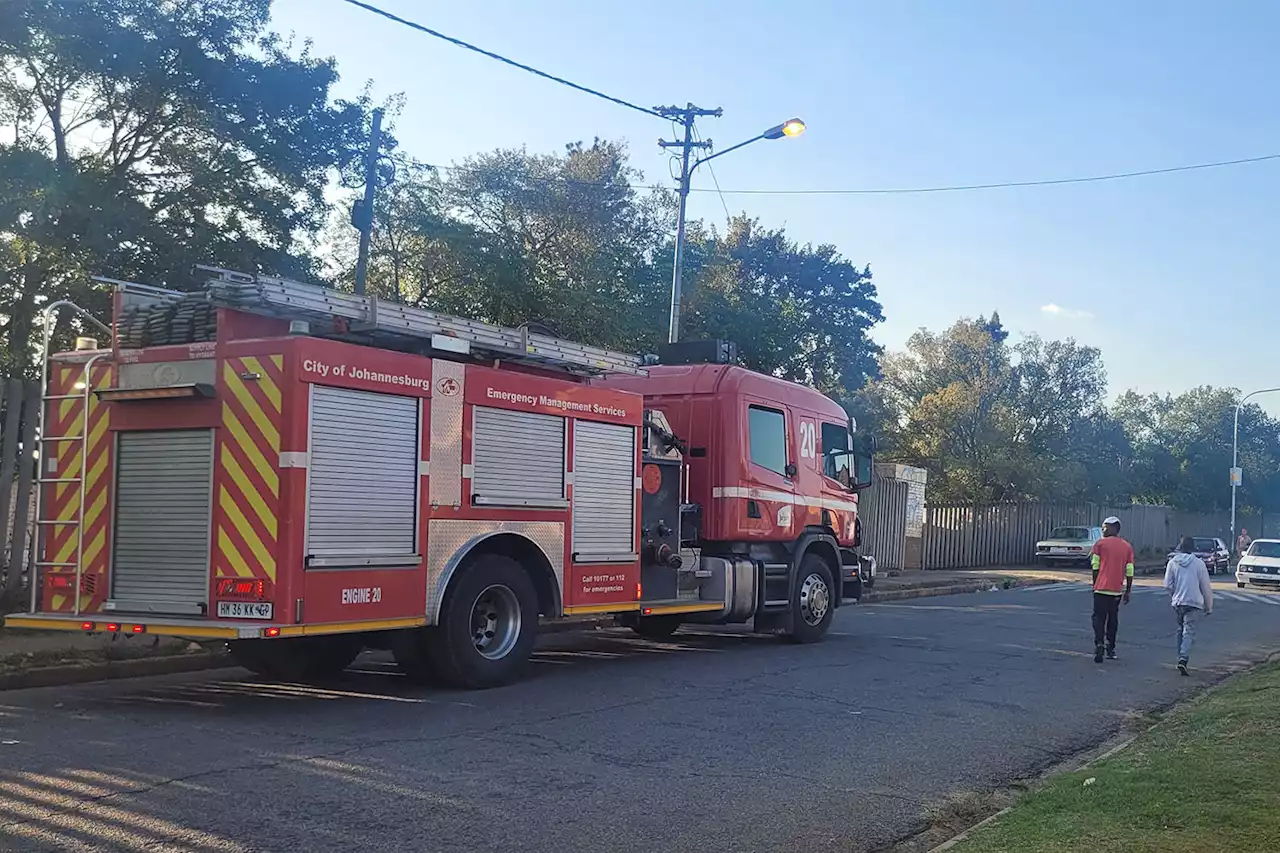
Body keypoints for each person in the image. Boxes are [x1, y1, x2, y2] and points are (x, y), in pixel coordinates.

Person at [1165, 535, 1214, 676]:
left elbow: (1168, 585)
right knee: (1189, 630)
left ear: (1180, 547)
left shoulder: (1173, 562)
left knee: (1180, 629)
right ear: (1193, 548)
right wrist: (1209, 606)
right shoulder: (1199, 564)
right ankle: (1183, 657)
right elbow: (1205, 587)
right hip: (1194, 602)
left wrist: (1175, 595)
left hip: (1179, 602)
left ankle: (1180, 655)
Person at [1090, 516, 1135, 663]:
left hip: (1101, 589)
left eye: (1105, 527)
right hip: (1116, 590)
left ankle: (1099, 643)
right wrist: (1127, 590)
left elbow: (1095, 566)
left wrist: (1095, 583)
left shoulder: (1100, 544)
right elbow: (1129, 570)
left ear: (1115, 528)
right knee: (1112, 619)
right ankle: (1111, 647)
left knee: (1098, 618)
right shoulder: (1127, 546)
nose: (1103, 530)